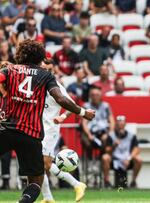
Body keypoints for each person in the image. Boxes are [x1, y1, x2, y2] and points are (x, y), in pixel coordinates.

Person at [0, 39, 95, 203]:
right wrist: (83, 113)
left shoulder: (9, 70)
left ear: (20, 55)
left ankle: (57, 194)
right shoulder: (46, 75)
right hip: (30, 134)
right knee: (36, 182)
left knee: (45, 165)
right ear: (40, 57)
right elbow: (61, 99)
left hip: (6, 129)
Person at [39, 58, 87, 203]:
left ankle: (77, 184)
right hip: (37, 129)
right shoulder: (36, 85)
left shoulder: (56, 86)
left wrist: (63, 116)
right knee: (38, 166)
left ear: (53, 71)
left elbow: (72, 105)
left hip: (50, 130)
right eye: (44, 69)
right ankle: (48, 198)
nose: (47, 72)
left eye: (50, 70)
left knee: (44, 164)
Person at [81, 86, 115, 188]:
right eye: (93, 95)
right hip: (90, 133)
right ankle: (91, 162)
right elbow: (84, 123)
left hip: (103, 133)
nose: (95, 96)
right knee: (86, 140)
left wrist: (108, 134)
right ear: (90, 96)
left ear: (101, 95)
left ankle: (104, 168)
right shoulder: (86, 105)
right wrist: (89, 135)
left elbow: (112, 121)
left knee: (109, 142)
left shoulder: (106, 106)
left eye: (97, 94)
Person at [111, 115, 142, 188]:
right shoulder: (111, 135)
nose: (120, 125)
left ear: (125, 124)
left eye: (122, 123)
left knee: (139, 159)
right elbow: (106, 150)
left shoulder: (131, 136)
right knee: (105, 157)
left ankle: (133, 181)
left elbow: (137, 149)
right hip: (114, 160)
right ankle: (107, 182)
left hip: (127, 160)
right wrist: (114, 145)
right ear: (116, 124)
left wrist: (128, 159)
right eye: (119, 123)